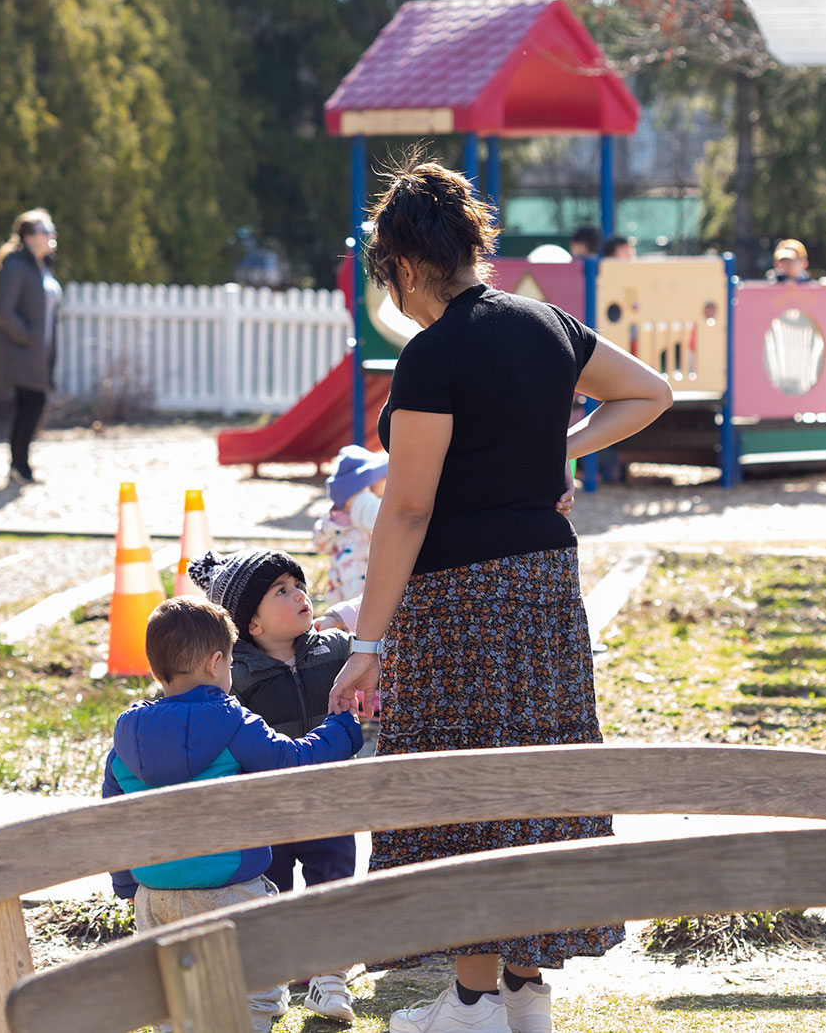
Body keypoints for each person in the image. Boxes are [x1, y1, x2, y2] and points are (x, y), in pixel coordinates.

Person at [326, 158, 672, 1033]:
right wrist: (570, 448)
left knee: (464, 791)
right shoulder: (547, 323)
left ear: (403, 265)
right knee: (536, 781)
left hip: (455, 604)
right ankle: (525, 997)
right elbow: (650, 392)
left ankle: (472, 1004)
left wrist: (365, 646)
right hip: (547, 592)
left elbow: (407, 508)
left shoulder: (432, 357)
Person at [101, 595, 363, 1033]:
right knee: (253, 991)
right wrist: (343, 729)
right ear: (216, 662)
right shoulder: (232, 721)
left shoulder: (127, 739)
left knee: (174, 995)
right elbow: (293, 761)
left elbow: (115, 823)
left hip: (155, 894)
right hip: (229, 887)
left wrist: (127, 884)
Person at [189, 548, 360, 1023]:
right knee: (272, 888)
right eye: (280, 591)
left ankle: (330, 977)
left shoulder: (336, 650)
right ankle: (276, 976)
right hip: (265, 808)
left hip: (328, 798)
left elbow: (378, 644)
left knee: (333, 881)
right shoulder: (236, 677)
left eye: (298, 584)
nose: (299, 595)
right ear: (253, 627)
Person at [0, 208, 62, 486]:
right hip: (23, 352)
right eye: (46, 231)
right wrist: (28, 338)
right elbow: (4, 311)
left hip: (40, 352)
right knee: (33, 403)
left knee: (29, 405)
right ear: (30, 237)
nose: (52, 236)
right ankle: (19, 466)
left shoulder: (42, 266)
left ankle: (20, 466)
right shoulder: (16, 265)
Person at [313, 445, 389, 607]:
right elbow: (384, 519)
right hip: (357, 589)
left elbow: (320, 543)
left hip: (341, 586)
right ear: (365, 486)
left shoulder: (335, 519)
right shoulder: (362, 506)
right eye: (383, 477)